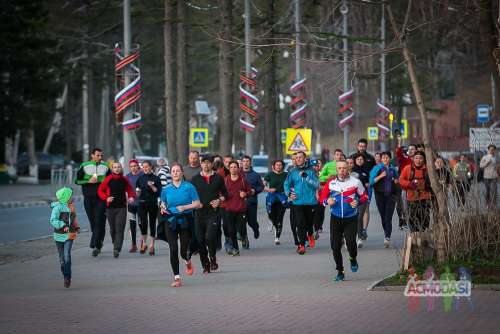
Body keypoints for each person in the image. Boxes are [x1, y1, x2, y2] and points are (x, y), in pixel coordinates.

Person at [319, 161, 367, 282]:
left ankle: (353, 258)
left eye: (344, 168)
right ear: (336, 169)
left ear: (348, 169)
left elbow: (365, 196)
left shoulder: (356, 182)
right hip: (335, 218)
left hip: (351, 218)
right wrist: (327, 202)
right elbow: (322, 198)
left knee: (351, 243)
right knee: (335, 246)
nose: (342, 170)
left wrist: (358, 202)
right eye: (339, 168)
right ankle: (340, 271)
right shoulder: (331, 183)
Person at [159, 164, 202, 287]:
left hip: (185, 220)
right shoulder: (166, 189)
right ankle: (177, 278)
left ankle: (187, 261)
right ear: (171, 174)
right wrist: (162, 207)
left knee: (184, 250)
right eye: (173, 171)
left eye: (178, 171)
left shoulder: (189, 187)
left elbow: (198, 204)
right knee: (173, 248)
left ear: (182, 173)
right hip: (170, 219)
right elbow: (163, 203)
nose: (176, 173)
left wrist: (185, 207)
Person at [191, 155, 228, 273]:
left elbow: (225, 193)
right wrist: (194, 203)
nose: (205, 165)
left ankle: (212, 258)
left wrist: (219, 200)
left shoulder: (218, 178)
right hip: (199, 213)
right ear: (201, 164)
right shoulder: (195, 179)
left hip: (213, 213)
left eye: (208, 163)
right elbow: (190, 195)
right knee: (200, 240)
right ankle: (205, 264)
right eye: (203, 163)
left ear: (212, 164)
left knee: (209, 237)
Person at [75, 147, 110, 257]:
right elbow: (76, 180)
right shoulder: (84, 166)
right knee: (93, 222)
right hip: (88, 199)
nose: (100, 157)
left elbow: (110, 181)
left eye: (101, 155)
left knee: (99, 220)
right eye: (98, 155)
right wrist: (88, 181)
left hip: (101, 198)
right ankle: (98, 243)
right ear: (92, 155)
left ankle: (95, 244)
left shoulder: (105, 167)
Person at [284, 151, 320, 255]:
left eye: (300, 157)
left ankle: (310, 234)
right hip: (297, 202)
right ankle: (302, 245)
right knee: (300, 223)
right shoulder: (292, 171)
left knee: (309, 223)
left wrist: (306, 177)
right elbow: (286, 184)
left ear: (305, 159)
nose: (298, 159)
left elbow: (317, 185)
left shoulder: (312, 170)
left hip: (310, 202)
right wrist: (289, 194)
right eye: (297, 157)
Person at [97, 162, 136, 258]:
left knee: (120, 228)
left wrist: (131, 197)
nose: (117, 169)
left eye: (118, 167)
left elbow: (130, 190)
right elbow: (100, 190)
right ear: (112, 169)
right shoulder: (108, 179)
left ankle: (117, 248)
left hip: (121, 207)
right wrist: (106, 198)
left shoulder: (124, 179)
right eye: (115, 167)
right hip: (110, 208)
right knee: (113, 229)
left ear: (121, 168)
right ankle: (115, 243)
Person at [50, 187, 80, 288]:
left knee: (67, 255)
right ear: (65, 197)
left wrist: (77, 227)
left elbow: (74, 218)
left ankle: (67, 277)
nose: (72, 197)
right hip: (58, 235)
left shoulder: (72, 207)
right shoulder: (57, 208)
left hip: (69, 235)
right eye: (70, 196)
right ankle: (65, 275)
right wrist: (62, 225)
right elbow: (53, 220)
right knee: (62, 258)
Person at [223, 161, 253, 255]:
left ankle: (244, 237)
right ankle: (235, 249)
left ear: (238, 168)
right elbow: (220, 192)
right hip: (229, 209)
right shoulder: (226, 180)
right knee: (231, 231)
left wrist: (245, 194)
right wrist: (222, 197)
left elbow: (251, 191)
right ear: (228, 169)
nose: (233, 169)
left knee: (241, 229)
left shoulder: (243, 180)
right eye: (231, 167)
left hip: (241, 209)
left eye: (235, 167)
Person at [369, 151, 399, 248]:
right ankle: (386, 231)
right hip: (380, 195)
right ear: (381, 159)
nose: (385, 159)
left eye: (387, 157)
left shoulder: (393, 169)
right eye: (383, 158)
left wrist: (396, 181)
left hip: (391, 195)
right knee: (383, 216)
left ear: (390, 158)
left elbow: (397, 179)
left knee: (388, 217)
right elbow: (371, 182)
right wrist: (381, 176)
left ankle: (387, 237)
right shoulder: (377, 168)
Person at [399, 151, 432, 232]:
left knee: (425, 220)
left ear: (424, 159)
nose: (418, 160)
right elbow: (401, 180)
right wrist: (409, 184)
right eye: (416, 158)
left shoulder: (428, 169)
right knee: (412, 220)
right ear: (413, 159)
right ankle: (415, 237)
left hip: (425, 198)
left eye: (421, 158)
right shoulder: (407, 168)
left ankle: (424, 238)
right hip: (412, 199)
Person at [136, 160, 162, 255]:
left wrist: (152, 187)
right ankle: (144, 243)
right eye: (143, 167)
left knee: (152, 224)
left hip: (152, 203)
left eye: (147, 166)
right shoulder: (140, 178)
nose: (145, 168)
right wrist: (137, 193)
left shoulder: (156, 178)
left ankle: (151, 245)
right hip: (142, 203)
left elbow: (159, 192)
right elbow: (137, 192)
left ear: (151, 167)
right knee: (143, 224)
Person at [264, 160, 288, 245]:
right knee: (271, 216)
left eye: (280, 165)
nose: (278, 166)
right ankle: (271, 220)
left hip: (282, 198)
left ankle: (277, 237)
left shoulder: (286, 175)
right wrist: (269, 189)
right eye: (277, 165)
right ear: (273, 166)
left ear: (282, 166)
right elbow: (263, 186)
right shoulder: (269, 174)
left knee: (279, 219)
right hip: (271, 198)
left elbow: (290, 185)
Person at [241, 155, 264, 247]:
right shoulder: (238, 174)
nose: (245, 163)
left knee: (251, 221)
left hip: (251, 202)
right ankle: (245, 240)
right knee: (241, 223)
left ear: (250, 163)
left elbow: (261, 186)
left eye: (247, 161)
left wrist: (255, 190)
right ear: (241, 163)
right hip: (240, 202)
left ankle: (255, 228)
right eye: (244, 161)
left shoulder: (255, 175)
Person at [352, 153, 371, 248]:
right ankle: (351, 236)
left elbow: (369, 181)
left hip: (363, 196)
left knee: (359, 217)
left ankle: (359, 238)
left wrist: (368, 183)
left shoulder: (366, 170)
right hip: (352, 197)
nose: (360, 161)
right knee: (352, 217)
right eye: (358, 159)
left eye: (361, 159)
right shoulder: (351, 171)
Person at [125, 159, 143, 253]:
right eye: (131, 166)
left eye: (135, 166)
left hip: (141, 203)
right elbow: (125, 189)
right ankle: (133, 245)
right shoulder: (127, 176)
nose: (133, 168)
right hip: (131, 203)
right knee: (132, 225)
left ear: (138, 166)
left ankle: (142, 242)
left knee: (141, 224)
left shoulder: (142, 175)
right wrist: (127, 198)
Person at [311, 159, 325, 239]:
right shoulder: (309, 174)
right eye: (314, 165)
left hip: (322, 196)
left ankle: (318, 227)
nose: (316, 167)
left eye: (318, 165)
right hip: (312, 198)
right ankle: (315, 229)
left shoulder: (323, 174)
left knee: (320, 212)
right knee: (313, 214)